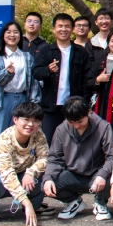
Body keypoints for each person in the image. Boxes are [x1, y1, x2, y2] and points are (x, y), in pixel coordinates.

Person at [0, 102, 47, 226]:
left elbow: (44, 158)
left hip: (21, 174)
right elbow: (6, 174)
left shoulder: (38, 134)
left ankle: (33, 207)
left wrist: (31, 172)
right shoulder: (3, 141)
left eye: (35, 120)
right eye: (26, 119)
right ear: (15, 119)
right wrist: (25, 201)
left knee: (44, 173)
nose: (30, 124)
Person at [42, 97, 113, 221]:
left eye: (80, 122)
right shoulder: (61, 129)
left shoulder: (103, 127)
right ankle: (73, 201)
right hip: (72, 175)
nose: (76, 126)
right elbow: (54, 158)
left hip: (96, 175)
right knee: (46, 182)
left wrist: (102, 174)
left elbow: (111, 156)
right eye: (71, 122)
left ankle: (100, 202)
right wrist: (48, 178)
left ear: (88, 112)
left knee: (111, 177)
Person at [33, 13, 91, 142]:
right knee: (50, 140)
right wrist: (48, 70)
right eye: (60, 26)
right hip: (51, 105)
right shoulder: (46, 50)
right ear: (54, 29)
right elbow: (36, 72)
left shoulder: (80, 52)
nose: (63, 29)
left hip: (74, 105)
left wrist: (84, 102)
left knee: (74, 140)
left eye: (67, 26)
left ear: (72, 29)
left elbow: (87, 79)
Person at [0, 21, 41, 145]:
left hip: (22, 99)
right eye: (8, 32)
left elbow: (33, 82)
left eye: (16, 32)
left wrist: (33, 103)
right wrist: (7, 73)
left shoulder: (27, 57)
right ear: (3, 35)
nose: (12, 35)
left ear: (20, 36)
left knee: (19, 137)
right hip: (2, 100)